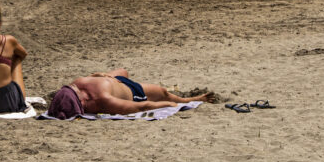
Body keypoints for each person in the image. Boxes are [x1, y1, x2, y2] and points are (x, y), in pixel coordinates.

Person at [47, 68, 214, 118]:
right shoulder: (103, 100)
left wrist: (99, 75)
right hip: (131, 91)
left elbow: (90, 77)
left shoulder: (76, 84)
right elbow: (140, 106)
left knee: (123, 70)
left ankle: (111, 77)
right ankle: (188, 98)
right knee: (163, 92)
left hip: (113, 80)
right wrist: (170, 105)